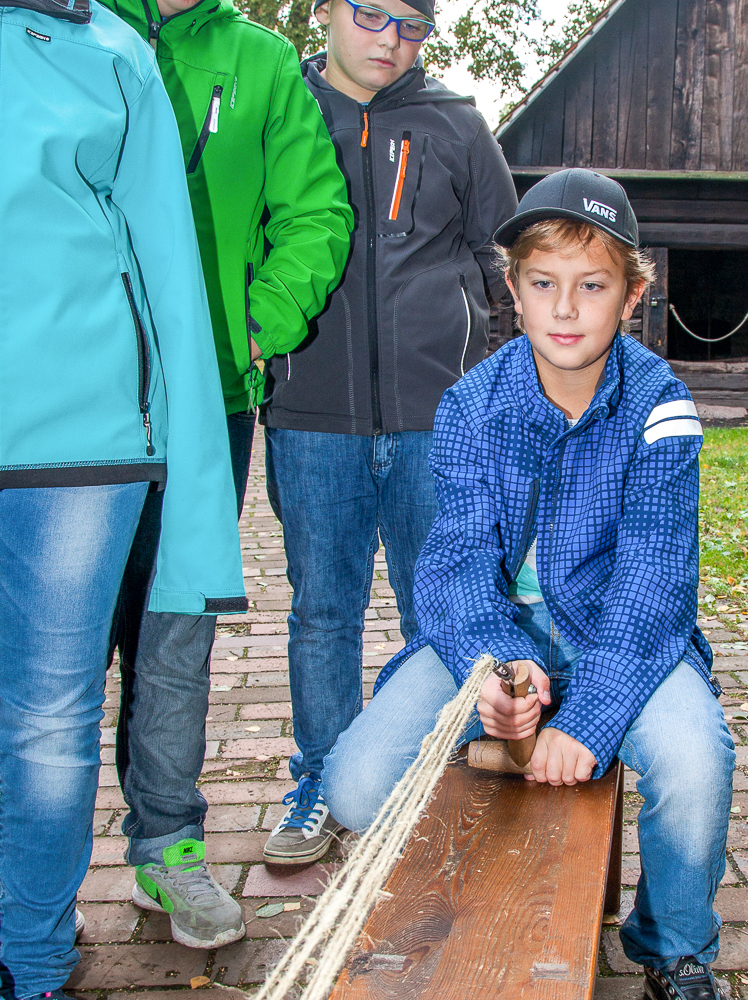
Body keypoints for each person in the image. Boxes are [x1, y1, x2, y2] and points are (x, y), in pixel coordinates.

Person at [322, 170, 736, 1000]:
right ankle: (453, 897)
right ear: (512, 289)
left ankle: (673, 947)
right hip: (497, 632)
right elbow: (454, 564)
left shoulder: (664, 406)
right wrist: (500, 671)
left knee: (696, 764)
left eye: (593, 286)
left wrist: (587, 717)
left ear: (631, 297)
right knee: (354, 784)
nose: (567, 309)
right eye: (544, 284)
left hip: (621, 637)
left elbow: (656, 588)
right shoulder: (473, 404)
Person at [0, 0, 245, 991]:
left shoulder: (115, 51)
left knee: (46, 717)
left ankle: (31, 960)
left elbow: (170, 281)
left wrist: (194, 503)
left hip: (74, 443)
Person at [103, 0, 353, 946]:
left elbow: (317, 210)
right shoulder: (69, 32)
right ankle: (24, 866)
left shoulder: (260, 60)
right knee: (52, 645)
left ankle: (166, 851)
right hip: (68, 403)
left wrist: (258, 325)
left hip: (209, 404)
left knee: (174, 634)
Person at [258, 0, 517, 866]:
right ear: (327, 10)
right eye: (370, 14)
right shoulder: (283, 111)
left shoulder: (457, 125)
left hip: (433, 423)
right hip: (311, 415)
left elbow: (500, 260)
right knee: (322, 612)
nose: (389, 39)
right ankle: (321, 785)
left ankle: (433, 778)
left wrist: (481, 383)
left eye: (412, 25)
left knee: (435, 608)